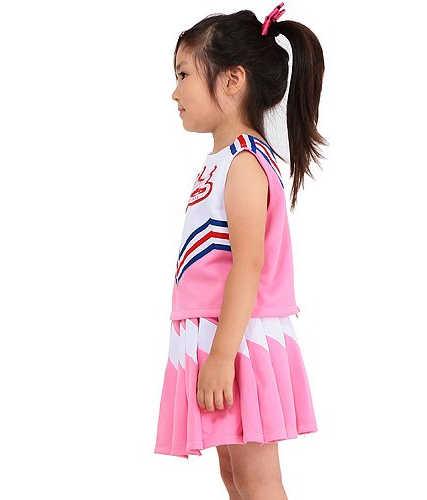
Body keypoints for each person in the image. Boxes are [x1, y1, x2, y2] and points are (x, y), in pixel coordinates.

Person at [154, 3, 328, 498]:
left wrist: (221, 355)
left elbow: (248, 266)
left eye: (184, 74)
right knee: (234, 475)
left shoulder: (245, 164)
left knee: (256, 477)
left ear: (232, 80)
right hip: (222, 337)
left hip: (239, 341)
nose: (175, 91)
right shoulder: (223, 162)